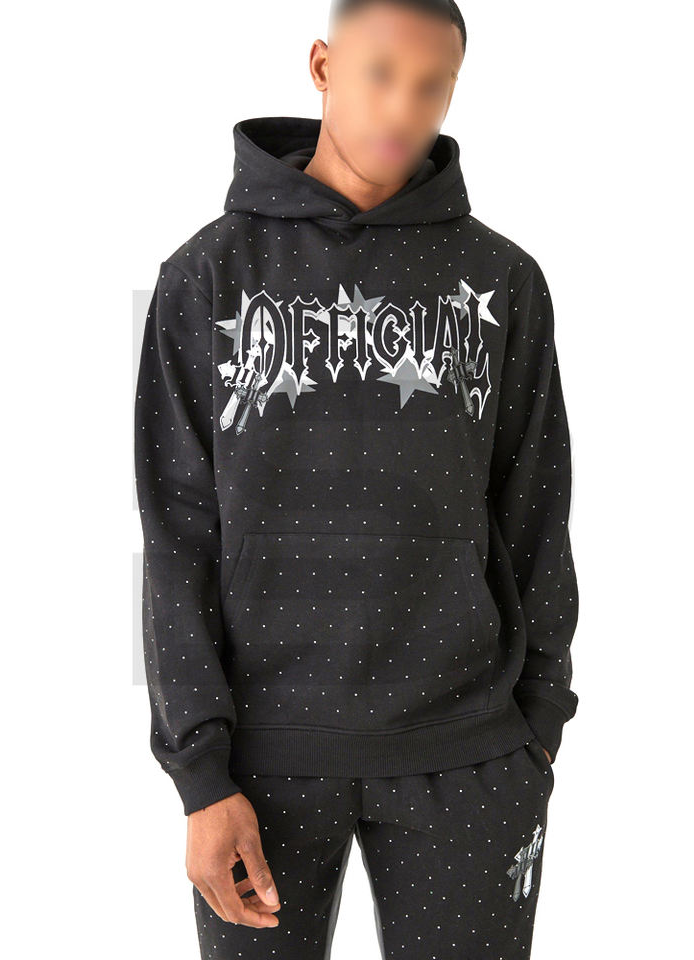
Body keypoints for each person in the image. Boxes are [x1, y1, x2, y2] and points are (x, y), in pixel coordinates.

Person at [133, 1, 580, 955]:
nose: (403, 109)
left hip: (470, 752)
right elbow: (177, 536)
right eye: (380, 74)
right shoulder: (205, 278)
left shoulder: (503, 281)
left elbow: (537, 510)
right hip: (261, 762)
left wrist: (541, 719)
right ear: (323, 65)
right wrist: (200, 775)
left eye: (432, 87)